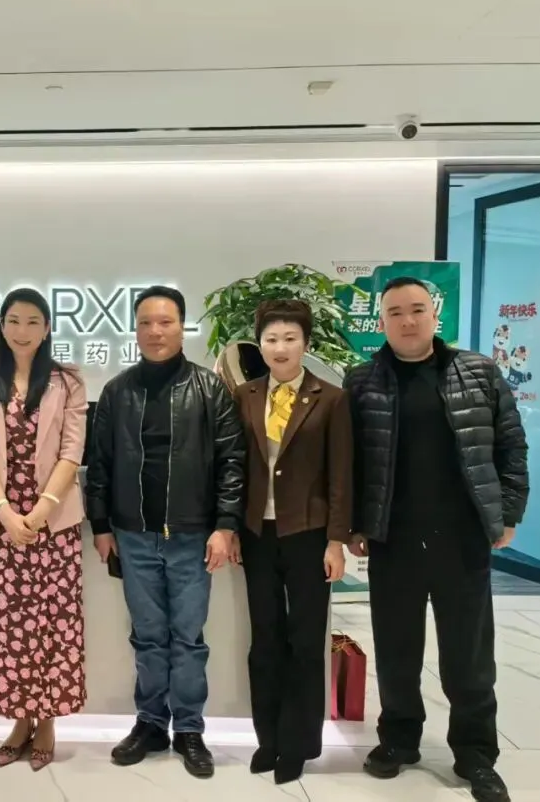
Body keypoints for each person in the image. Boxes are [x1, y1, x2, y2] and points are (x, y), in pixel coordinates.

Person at [344, 276, 528, 802]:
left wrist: (507, 513)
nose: (407, 320)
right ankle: (399, 740)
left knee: (469, 655)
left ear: (434, 315)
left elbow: (511, 447)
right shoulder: (362, 381)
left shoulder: (479, 372)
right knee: (397, 649)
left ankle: (475, 754)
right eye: (395, 312)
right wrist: (354, 523)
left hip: (462, 537)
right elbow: (350, 462)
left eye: (417, 309)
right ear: (382, 322)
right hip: (393, 538)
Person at [85, 285, 246, 779]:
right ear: (135, 330)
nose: (155, 332)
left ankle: (190, 729)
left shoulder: (209, 388)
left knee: (188, 638)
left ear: (182, 327)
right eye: (146, 323)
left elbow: (232, 461)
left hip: (192, 536)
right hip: (133, 535)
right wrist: (101, 526)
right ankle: (151, 723)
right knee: (149, 637)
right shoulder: (117, 391)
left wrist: (225, 526)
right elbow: (100, 465)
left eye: (166, 322)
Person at [231, 299, 352, 785]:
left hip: (309, 535)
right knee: (265, 640)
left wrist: (336, 541)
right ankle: (269, 739)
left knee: (305, 641)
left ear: (305, 344)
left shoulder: (331, 398)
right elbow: (234, 466)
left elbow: (341, 475)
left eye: (289, 338)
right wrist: (231, 526)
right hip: (257, 535)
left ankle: (298, 745)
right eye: (271, 339)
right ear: (259, 345)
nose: (280, 348)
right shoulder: (245, 395)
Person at [0, 288, 88, 771]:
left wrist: (41, 512)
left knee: (53, 627)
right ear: (1, 326)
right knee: (9, 627)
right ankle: (19, 721)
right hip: (3, 528)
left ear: (47, 328)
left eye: (33, 322)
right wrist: (4, 511)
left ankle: (48, 722)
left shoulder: (67, 381)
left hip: (53, 526)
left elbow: (72, 451)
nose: (22, 331)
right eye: (14, 321)